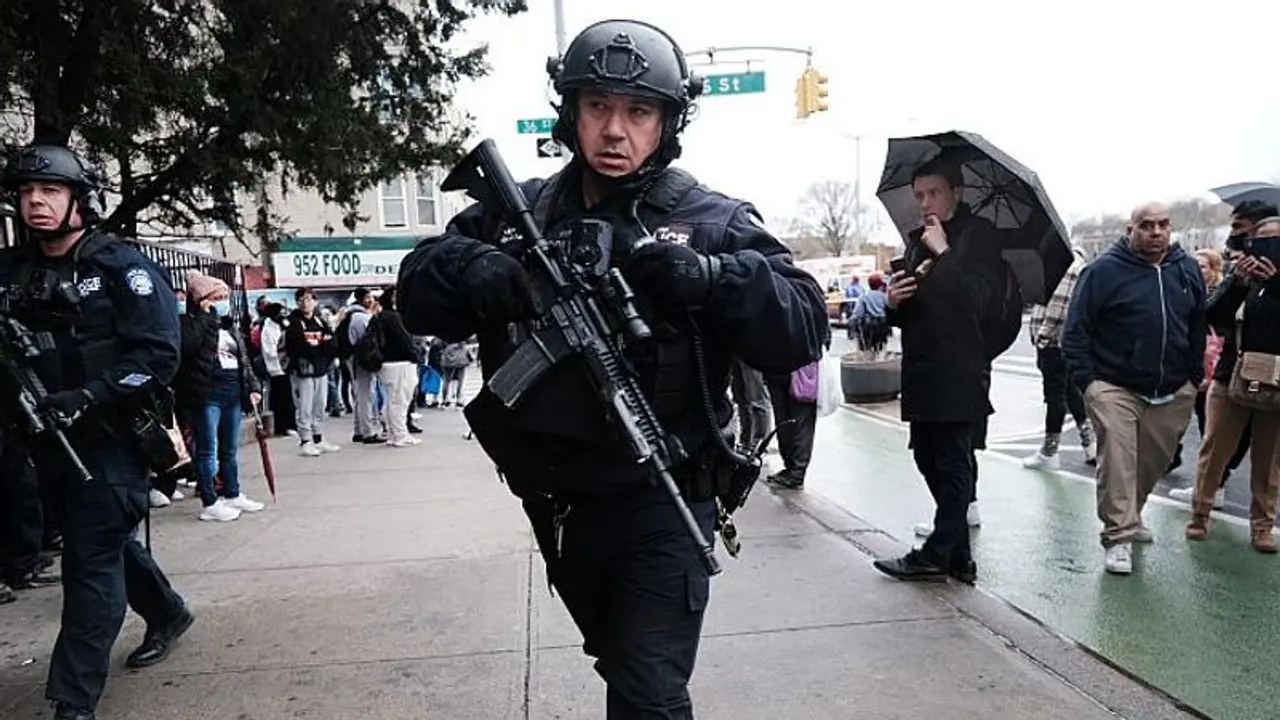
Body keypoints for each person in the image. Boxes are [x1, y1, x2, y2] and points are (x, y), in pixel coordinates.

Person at [396, 18, 827, 719]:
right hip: (559, 506)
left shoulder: (709, 218)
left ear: (667, 122)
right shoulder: (518, 213)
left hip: (664, 497)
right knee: (618, 659)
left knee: (647, 692)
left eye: (639, 112)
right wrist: (473, 269)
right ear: (571, 113)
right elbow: (416, 290)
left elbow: (803, 324)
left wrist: (713, 276)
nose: (615, 131)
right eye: (597, 107)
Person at [0, 144, 194, 720]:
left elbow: (160, 353)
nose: (37, 201)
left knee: (90, 567)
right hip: (39, 439)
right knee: (102, 541)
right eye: (28, 192)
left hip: (110, 438)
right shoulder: (11, 270)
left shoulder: (119, 265)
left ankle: (72, 701)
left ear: (79, 200)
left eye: (51, 191)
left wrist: (90, 395)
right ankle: (167, 611)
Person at [873, 158, 1011, 584]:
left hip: (960, 367)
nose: (925, 203)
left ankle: (935, 552)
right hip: (922, 369)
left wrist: (945, 253)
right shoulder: (916, 242)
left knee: (953, 462)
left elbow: (976, 301)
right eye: (919, 195)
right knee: (928, 457)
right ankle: (958, 556)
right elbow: (917, 308)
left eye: (934, 193)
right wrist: (894, 303)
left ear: (957, 193)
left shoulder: (978, 238)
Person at [1062, 202, 1205, 575]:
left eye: (1163, 224)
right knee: (1119, 460)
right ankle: (1118, 535)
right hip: (1113, 384)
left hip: (1173, 386)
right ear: (1131, 229)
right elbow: (1075, 330)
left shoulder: (1186, 269)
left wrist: (1191, 376)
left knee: (1152, 461)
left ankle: (1132, 514)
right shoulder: (1103, 272)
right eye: (1146, 225)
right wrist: (1088, 383)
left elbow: (1196, 324)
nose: (1156, 232)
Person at [1185, 217, 1280, 551]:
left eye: (1276, 241)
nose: (1268, 247)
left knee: (1269, 462)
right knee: (1214, 451)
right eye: (1261, 240)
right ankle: (1200, 513)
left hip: (1277, 382)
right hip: (1231, 376)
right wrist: (1239, 281)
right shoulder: (1239, 277)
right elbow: (1210, 315)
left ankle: (1262, 526)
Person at [175, 271, 266, 521]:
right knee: (207, 450)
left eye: (226, 296)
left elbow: (243, 360)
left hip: (231, 393)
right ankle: (209, 500)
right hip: (207, 394)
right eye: (218, 297)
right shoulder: (190, 323)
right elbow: (187, 347)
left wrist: (252, 387)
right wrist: (205, 316)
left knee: (229, 450)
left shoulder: (230, 328)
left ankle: (232, 492)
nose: (224, 302)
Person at [1022, 245, 1096, 469]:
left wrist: (1044, 336)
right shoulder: (1072, 262)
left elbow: (1059, 304)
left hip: (1055, 341)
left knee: (1054, 395)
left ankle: (1050, 451)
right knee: (1070, 392)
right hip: (1065, 340)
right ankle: (1089, 442)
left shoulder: (1066, 263)